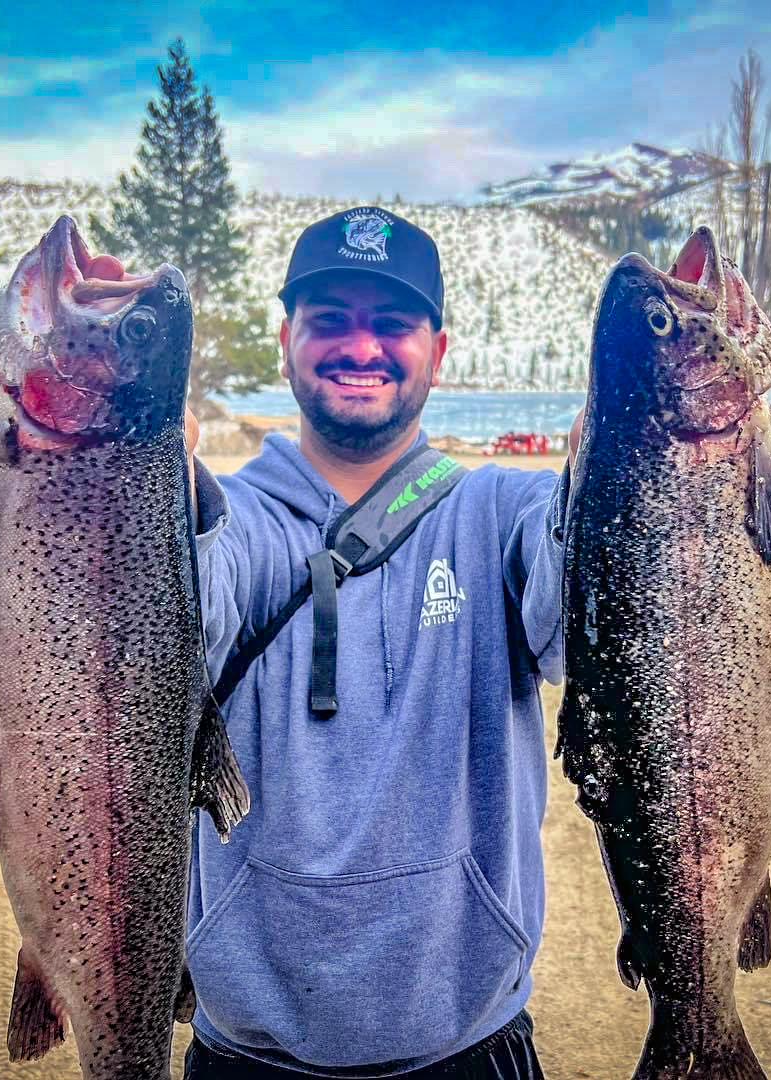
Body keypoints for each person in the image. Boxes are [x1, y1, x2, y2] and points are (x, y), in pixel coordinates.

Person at [181, 206, 582, 1079]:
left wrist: (615, 482)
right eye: (330, 321)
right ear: (286, 339)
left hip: (471, 1047)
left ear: (438, 351)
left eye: (392, 323)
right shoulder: (226, 519)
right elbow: (179, 638)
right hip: (245, 1055)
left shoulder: (504, 513)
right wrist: (143, 489)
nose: (360, 347)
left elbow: (578, 632)